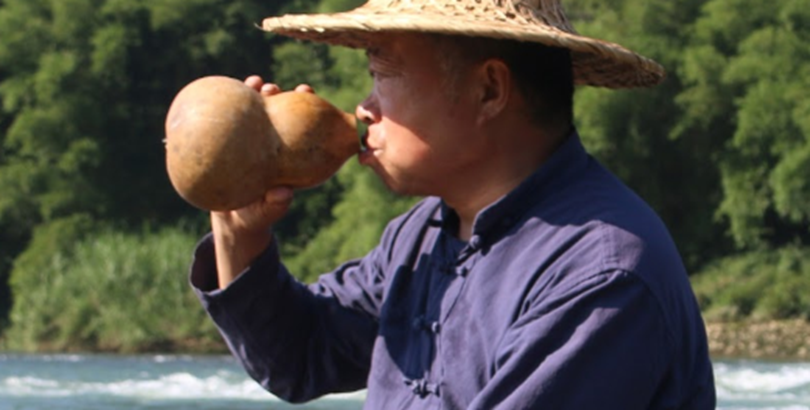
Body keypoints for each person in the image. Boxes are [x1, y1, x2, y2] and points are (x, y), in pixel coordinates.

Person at [189, 0, 716, 408]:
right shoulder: (422, 234)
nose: (365, 108)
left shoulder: (601, 275)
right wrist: (239, 225)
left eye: (383, 75)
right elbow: (301, 355)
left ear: (489, 90)